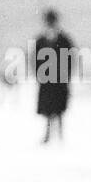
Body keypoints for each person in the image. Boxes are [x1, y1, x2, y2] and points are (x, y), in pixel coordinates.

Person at [33, 8, 75, 144]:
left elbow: (70, 58)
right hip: (46, 79)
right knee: (48, 108)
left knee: (60, 107)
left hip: (60, 79)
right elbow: (36, 60)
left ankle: (61, 135)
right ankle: (48, 134)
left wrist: (66, 76)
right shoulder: (40, 40)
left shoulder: (64, 40)